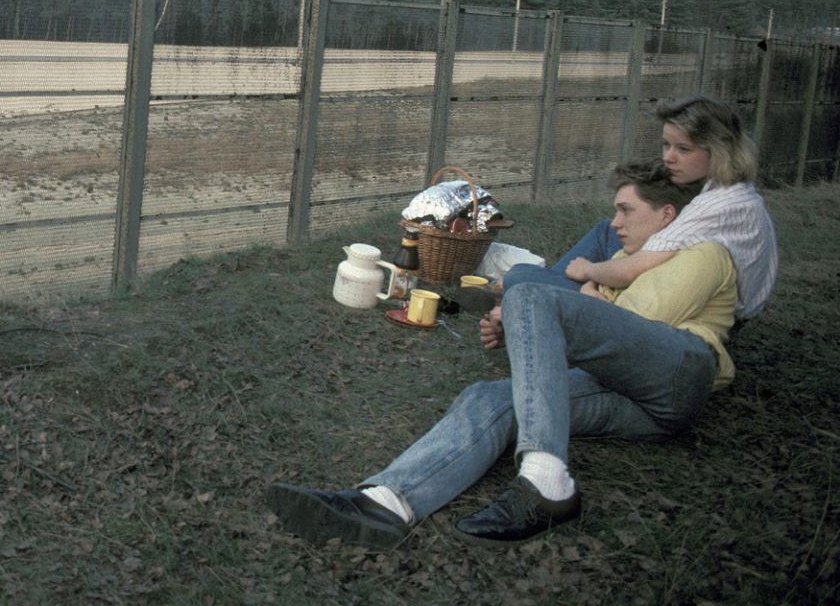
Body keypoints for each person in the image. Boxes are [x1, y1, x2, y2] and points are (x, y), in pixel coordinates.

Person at [266, 160, 738, 549]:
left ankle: (547, 484)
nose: (615, 223)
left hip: (679, 375)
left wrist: (573, 299)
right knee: (488, 397)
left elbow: (641, 328)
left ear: (667, 215)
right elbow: (599, 339)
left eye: (625, 211)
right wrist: (530, 333)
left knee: (529, 292)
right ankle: (387, 502)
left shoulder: (704, 252)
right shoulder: (621, 266)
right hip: (627, 398)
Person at [501, 95, 777, 323]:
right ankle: (546, 295)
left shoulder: (718, 206)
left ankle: (536, 304)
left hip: (706, 316)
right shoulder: (730, 189)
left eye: (683, 149)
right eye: (666, 145)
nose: (669, 157)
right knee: (605, 233)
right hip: (700, 290)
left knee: (521, 277)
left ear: (719, 150)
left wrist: (589, 272)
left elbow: (633, 269)